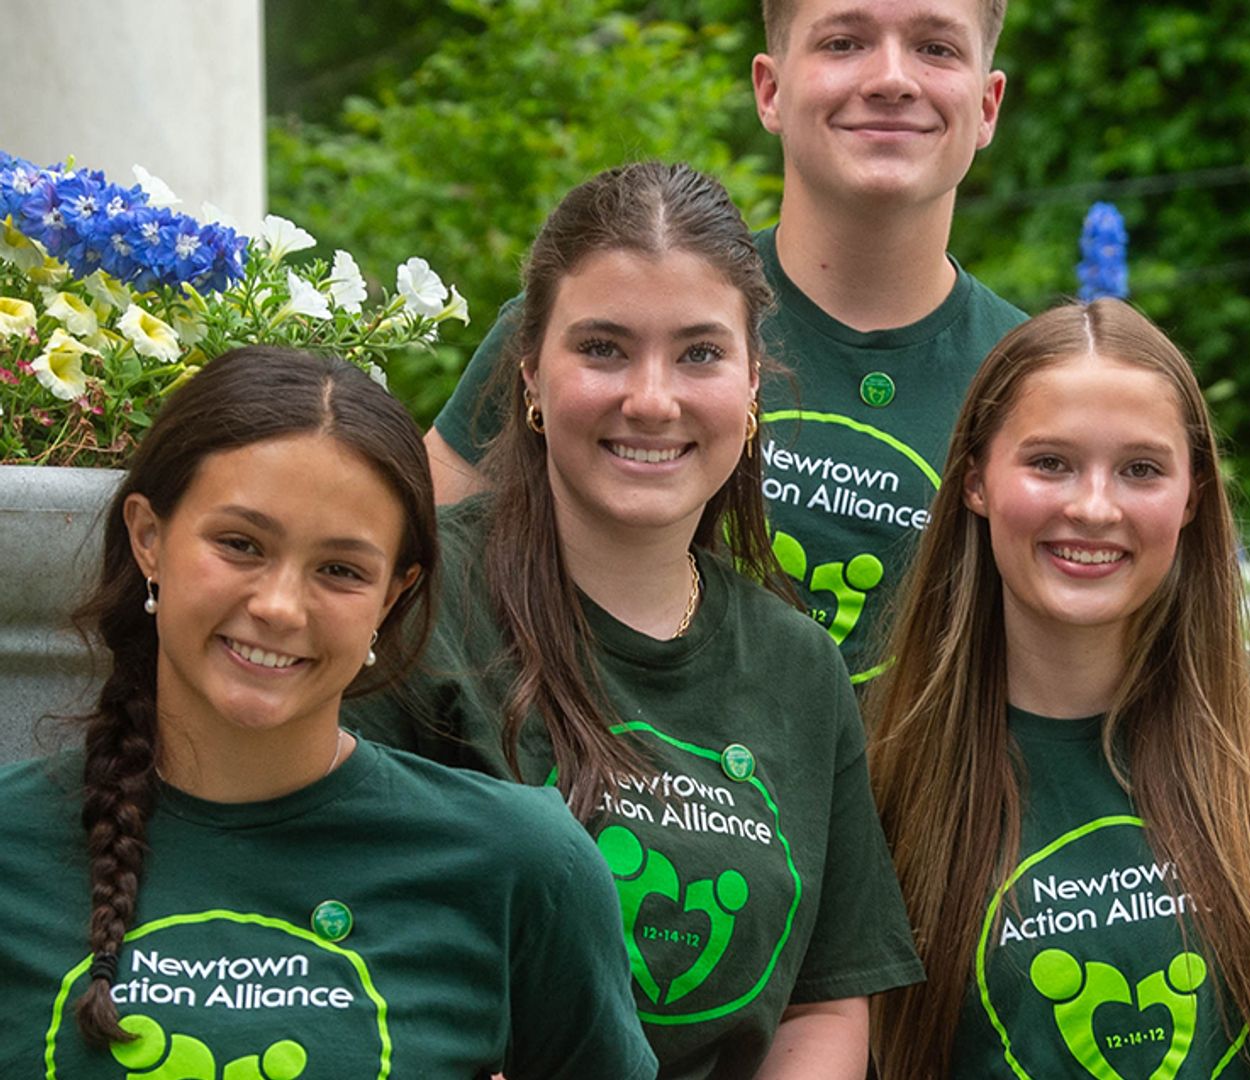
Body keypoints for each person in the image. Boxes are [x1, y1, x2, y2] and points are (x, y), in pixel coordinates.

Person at [348, 162, 922, 1080]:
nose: (652, 399)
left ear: (752, 386)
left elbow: (824, 1004)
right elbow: (341, 927)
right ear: (530, 374)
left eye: (699, 353)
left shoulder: (800, 663)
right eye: (604, 349)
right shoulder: (420, 605)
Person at [0, 347, 656, 1078]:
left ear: (395, 594)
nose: (279, 606)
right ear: (149, 538)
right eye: (241, 545)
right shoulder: (11, 843)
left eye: (340, 570)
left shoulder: (523, 865)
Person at [865, 300, 1250, 1079]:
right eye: (1050, 462)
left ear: (1193, 498)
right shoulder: (885, 766)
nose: (1093, 506)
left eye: (1141, 470)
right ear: (976, 481)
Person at [425, 0, 1023, 685]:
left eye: (936, 49)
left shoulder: (1033, 382)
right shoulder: (596, 326)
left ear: (987, 104)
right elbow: (405, 576)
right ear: (769, 89)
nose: (891, 77)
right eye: (844, 42)